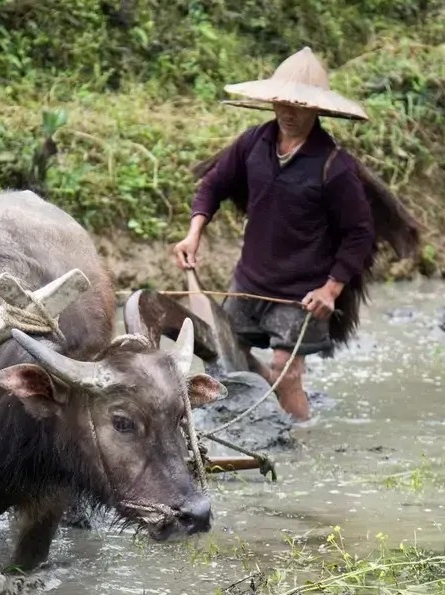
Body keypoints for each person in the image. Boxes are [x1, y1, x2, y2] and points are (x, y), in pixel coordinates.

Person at [172, 47, 375, 422]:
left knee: (289, 375)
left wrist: (330, 290)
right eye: (282, 102)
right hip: (250, 280)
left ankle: (303, 445)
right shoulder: (253, 143)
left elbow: (360, 234)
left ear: (317, 109)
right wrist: (193, 233)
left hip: (301, 294)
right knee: (226, 359)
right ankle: (263, 393)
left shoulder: (334, 166)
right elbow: (213, 186)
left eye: (299, 104)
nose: (288, 112)